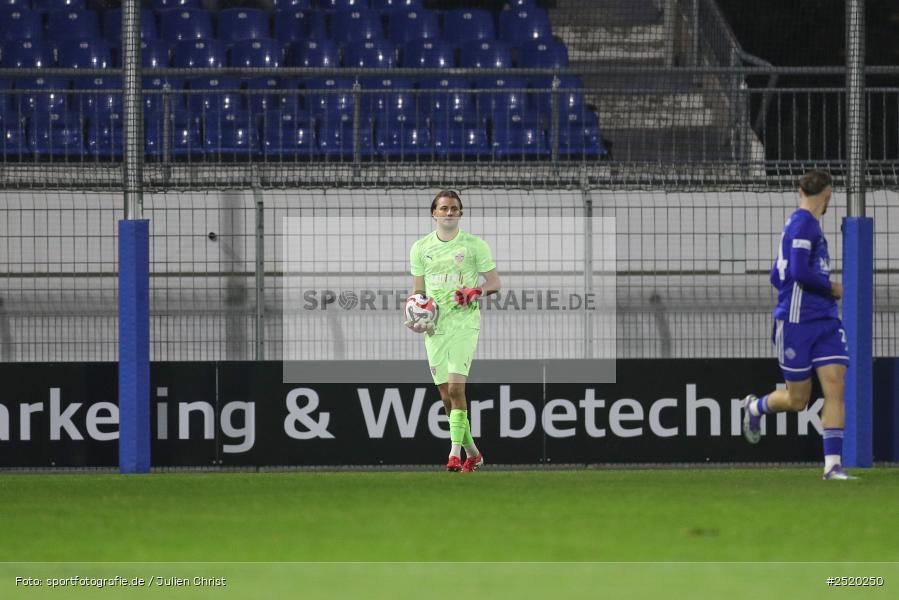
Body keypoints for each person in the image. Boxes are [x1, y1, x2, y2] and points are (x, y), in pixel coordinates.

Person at [742, 170, 855, 480]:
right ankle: (756, 408)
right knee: (797, 400)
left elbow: (776, 275)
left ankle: (832, 466)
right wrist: (833, 288)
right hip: (797, 323)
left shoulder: (800, 223)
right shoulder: (804, 223)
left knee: (835, 387)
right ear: (828, 194)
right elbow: (800, 271)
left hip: (825, 321)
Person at [407, 190, 501, 472]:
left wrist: (476, 290)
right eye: (444, 208)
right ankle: (474, 453)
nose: (449, 213)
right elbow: (418, 292)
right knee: (447, 396)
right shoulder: (420, 248)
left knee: (458, 387)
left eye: (454, 209)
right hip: (436, 329)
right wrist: (415, 314)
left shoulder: (474, 246)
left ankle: (453, 454)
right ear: (434, 213)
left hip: (464, 323)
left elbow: (495, 283)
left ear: (460, 213)